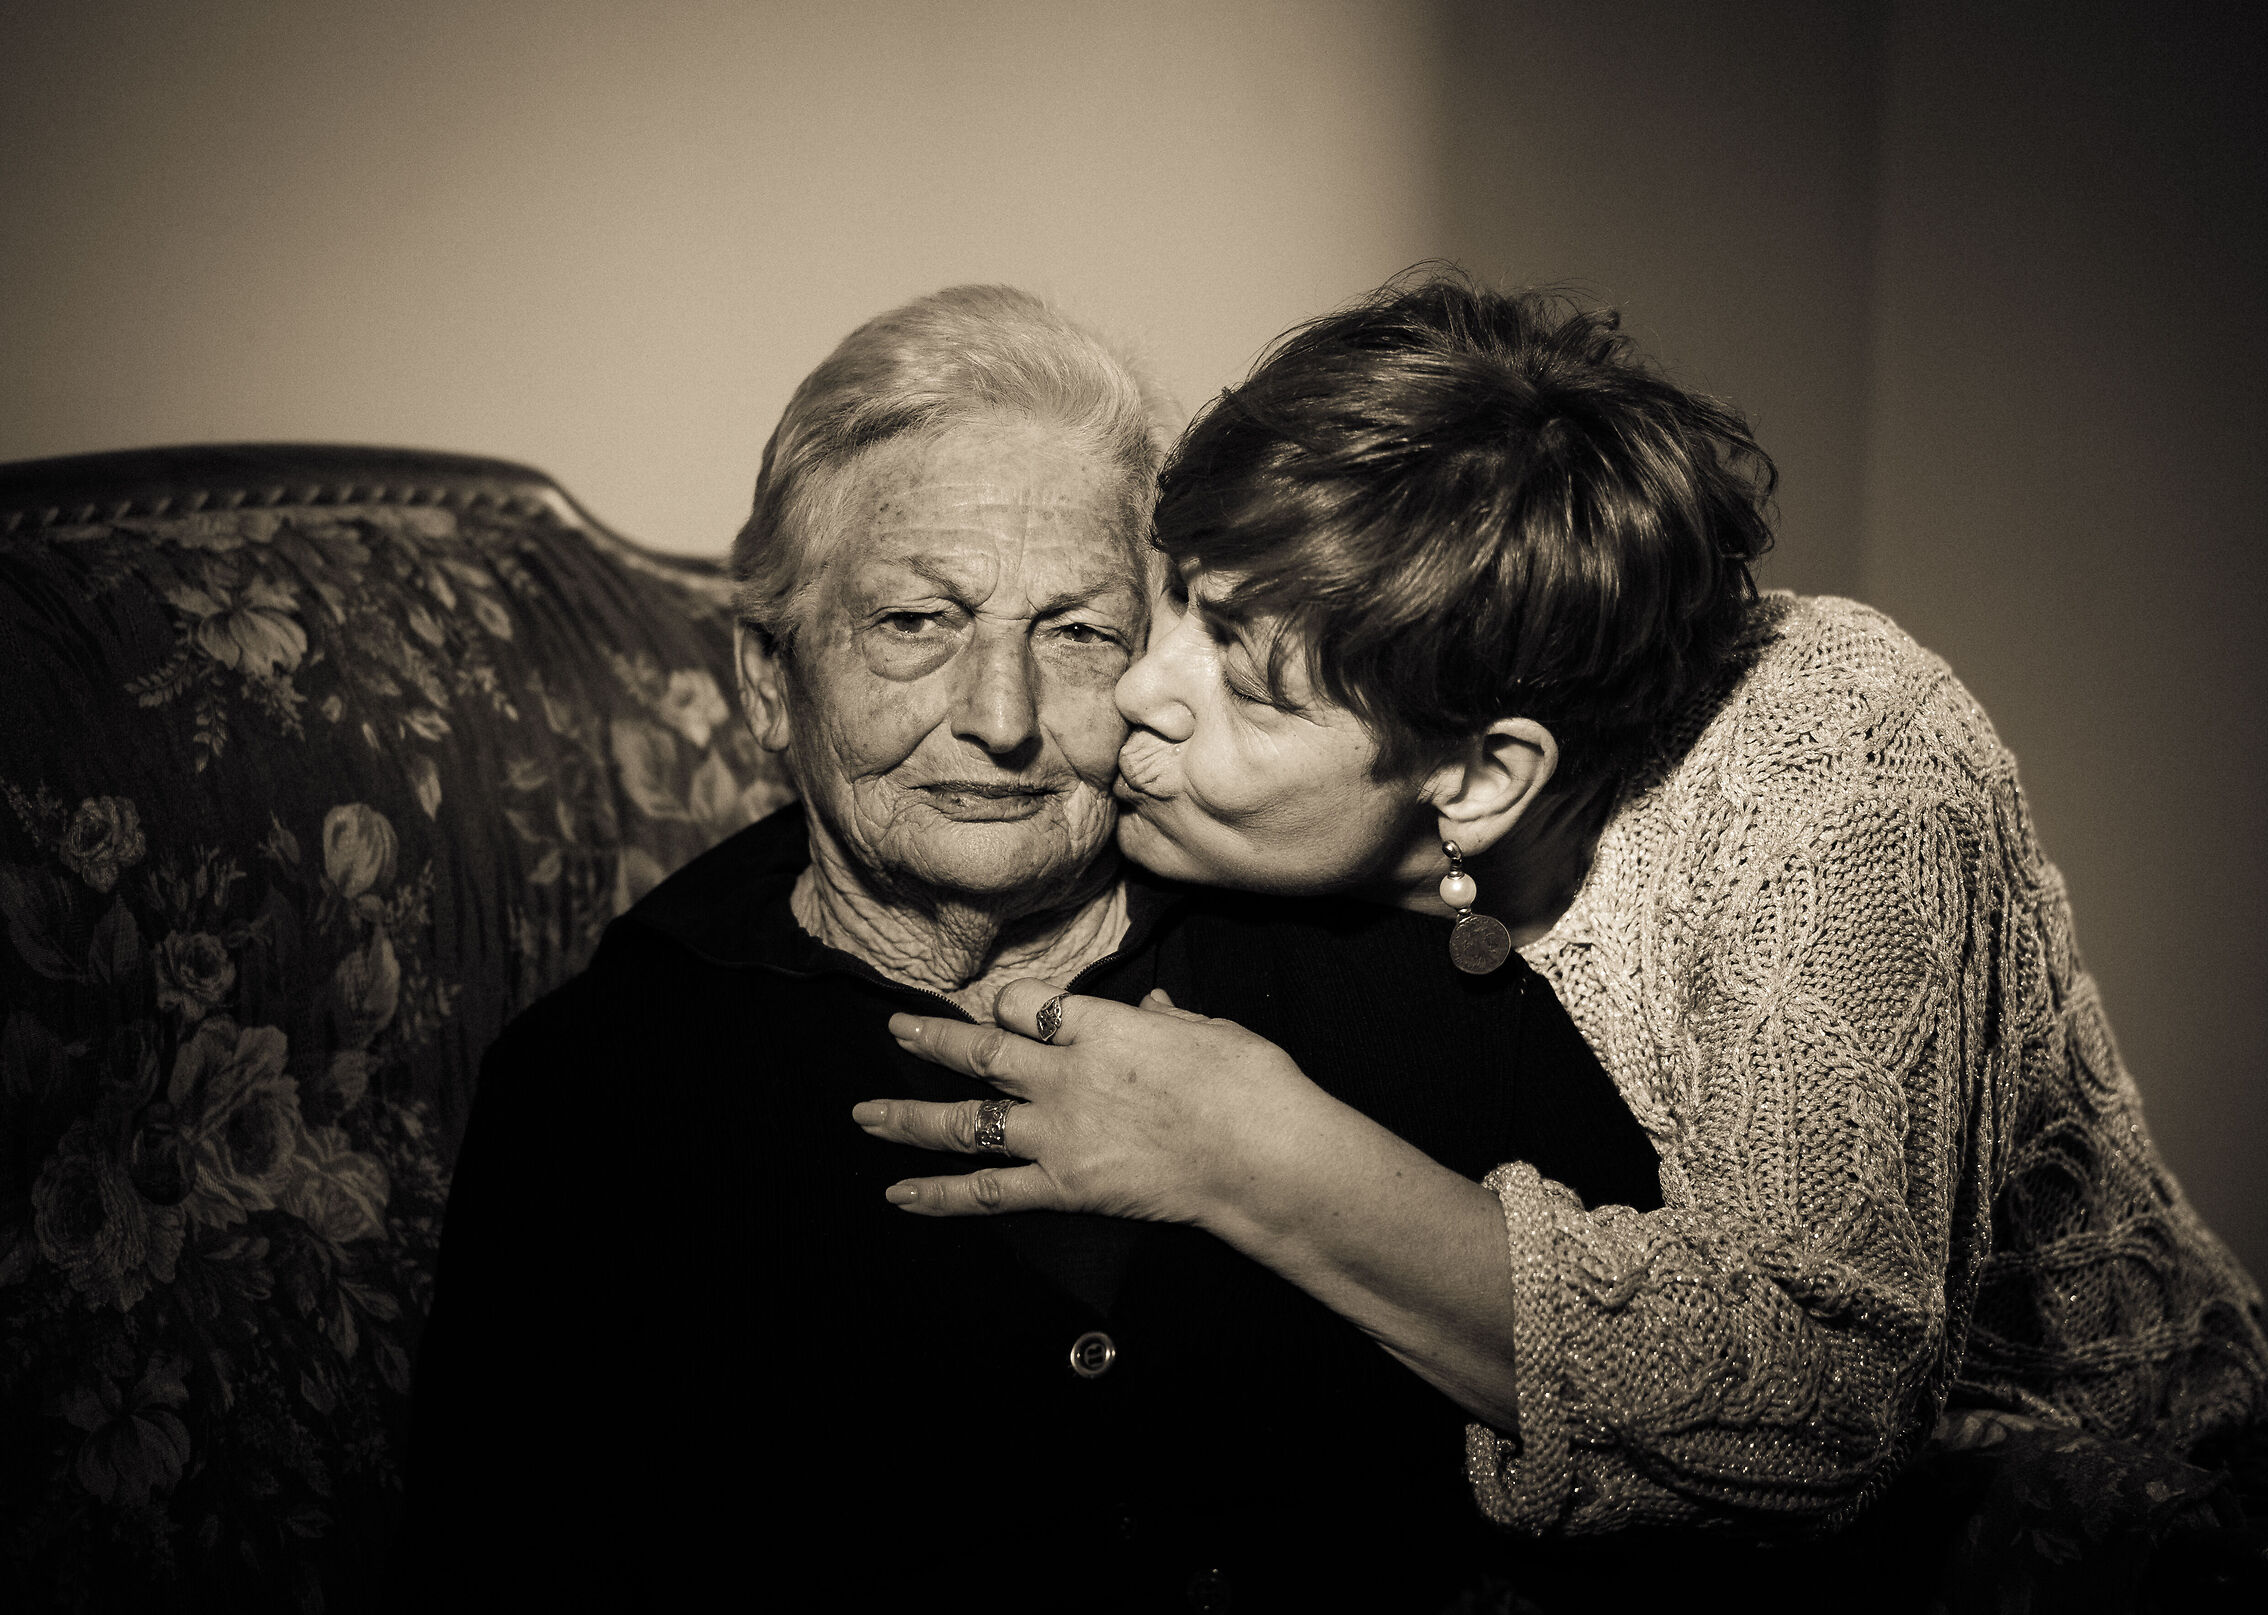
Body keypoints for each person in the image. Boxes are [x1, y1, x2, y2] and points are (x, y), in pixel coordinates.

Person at [856, 275, 2268, 1607]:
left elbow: (1822, 1397)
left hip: (2095, 1533)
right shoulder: (1251, 771)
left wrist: (1247, 1149)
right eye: (1176, 600)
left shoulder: (1845, 767)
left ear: (1481, 775)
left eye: (1247, 684)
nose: (1139, 692)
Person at [387, 284, 1664, 1612]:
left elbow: (1702, 1465)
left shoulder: (1399, 964)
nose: (998, 719)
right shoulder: (600, 1086)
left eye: (1075, 634)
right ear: (773, 673)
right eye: (915, 624)